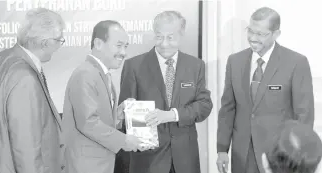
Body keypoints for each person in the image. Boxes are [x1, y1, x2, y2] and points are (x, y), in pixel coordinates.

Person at [216, 7, 314, 173]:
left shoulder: (296, 63)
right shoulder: (235, 61)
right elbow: (227, 109)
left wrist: (298, 157)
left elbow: (304, 115)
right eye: (250, 31)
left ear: (276, 34)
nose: (253, 38)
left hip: (280, 155)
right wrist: (222, 149)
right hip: (242, 155)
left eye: (261, 34)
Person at [118, 11, 213, 173]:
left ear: (182, 34)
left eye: (170, 37)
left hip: (185, 158)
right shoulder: (133, 66)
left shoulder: (195, 65)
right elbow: (125, 113)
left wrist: (171, 115)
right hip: (148, 160)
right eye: (159, 36)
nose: (164, 43)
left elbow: (204, 106)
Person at [0, 8, 65, 173]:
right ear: (45, 42)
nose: (60, 45)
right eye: (59, 40)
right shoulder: (25, 77)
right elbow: (26, 148)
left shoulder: (3, 58)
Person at [62, 20, 145, 173]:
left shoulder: (102, 74)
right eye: (118, 45)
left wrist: (118, 116)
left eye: (125, 46)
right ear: (98, 43)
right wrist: (124, 140)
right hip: (86, 166)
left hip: (98, 163)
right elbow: (88, 123)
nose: (123, 53)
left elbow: (97, 119)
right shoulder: (86, 74)